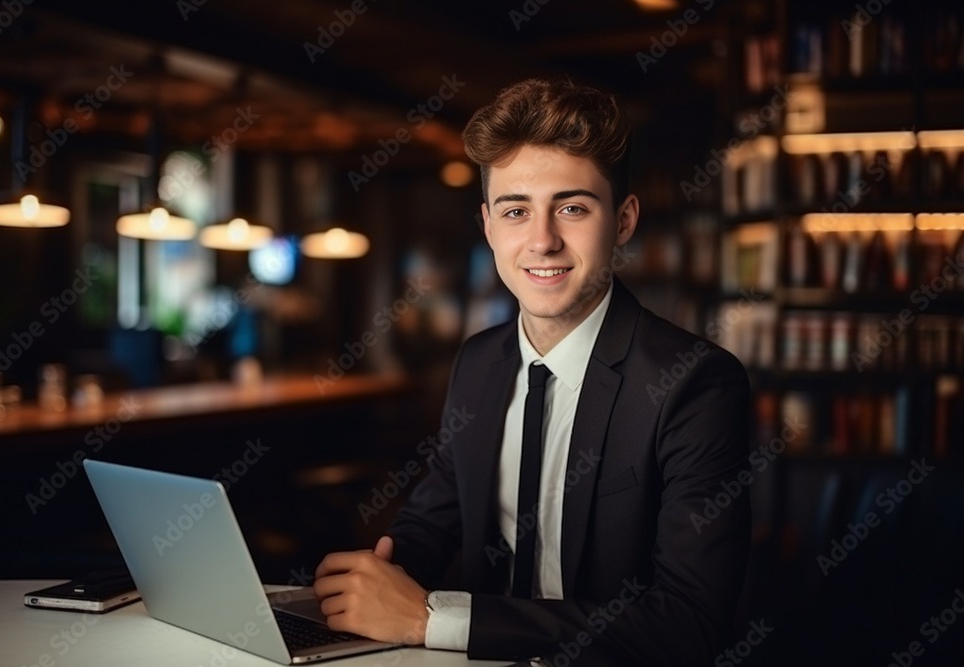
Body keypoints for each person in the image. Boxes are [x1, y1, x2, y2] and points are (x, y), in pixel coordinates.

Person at [313, 77, 751, 666]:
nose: (542, 240)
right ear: (489, 226)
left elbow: (688, 623)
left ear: (622, 222)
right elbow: (432, 520)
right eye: (516, 211)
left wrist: (432, 619)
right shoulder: (477, 362)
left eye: (571, 208)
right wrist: (367, 583)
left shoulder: (695, 385)